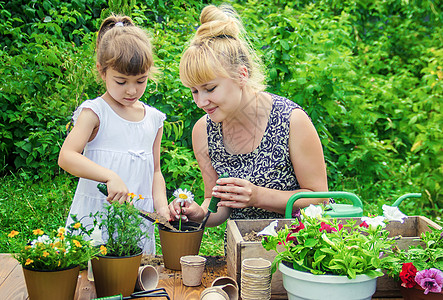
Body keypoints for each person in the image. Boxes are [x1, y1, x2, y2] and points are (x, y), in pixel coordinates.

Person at [168, 4, 328, 227]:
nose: (201, 102)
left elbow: (319, 198)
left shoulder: (291, 120)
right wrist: (198, 213)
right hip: (240, 249)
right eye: (194, 91)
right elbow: (216, 203)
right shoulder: (203, 131)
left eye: (210, 89)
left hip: (295, 247)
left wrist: (258, 196)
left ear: (242, 75)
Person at [58, 15, 170, 254]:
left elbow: (156, 171)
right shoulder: (95, 112)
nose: (132, 90)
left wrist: (161, 206)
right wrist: (109, 176)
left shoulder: (153, 119)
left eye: (141, 81)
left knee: (134, 276)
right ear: (102, 72)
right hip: (96, 219)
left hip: (135, 223)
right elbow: (67, 156)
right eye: (121, 81)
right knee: (91, 279)